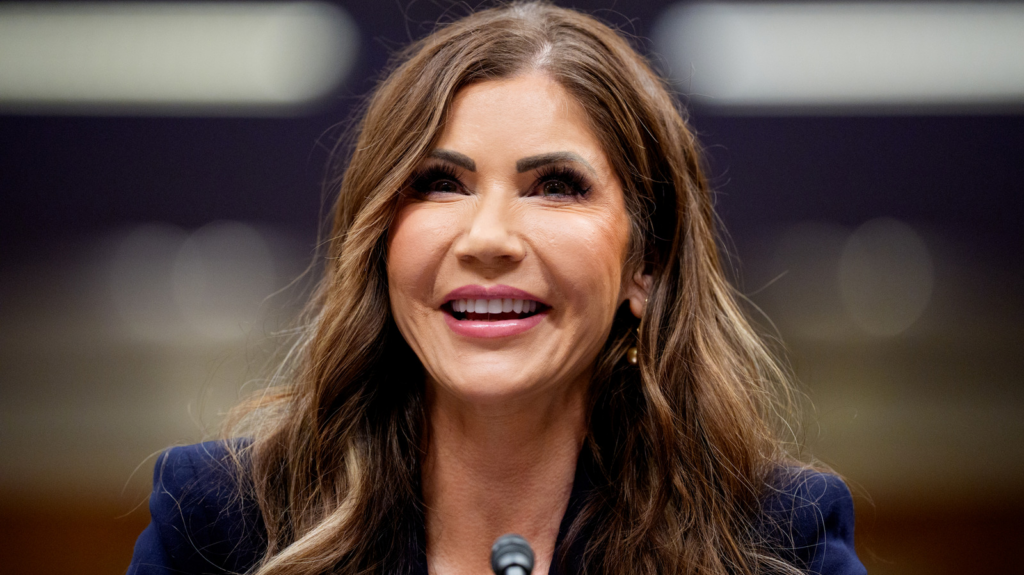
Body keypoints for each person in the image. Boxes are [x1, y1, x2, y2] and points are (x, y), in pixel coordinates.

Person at [128, 3, 866, 575]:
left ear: (647, 264)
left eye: (556, 186)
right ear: (379, 240)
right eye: (440, 183)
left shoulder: (773, 539)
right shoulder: (219, 525)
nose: (487, 238)